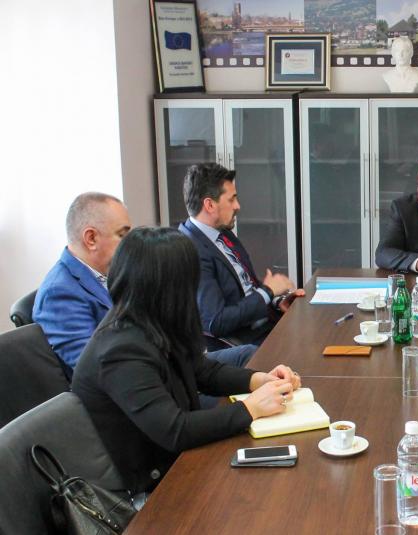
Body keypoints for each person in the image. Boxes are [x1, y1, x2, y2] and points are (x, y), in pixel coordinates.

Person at [72, 227, 302, 495]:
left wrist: (258, 380)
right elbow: (175, 431)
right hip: (149, 486)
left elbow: (202, 371)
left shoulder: (150, 317)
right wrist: (250, 408)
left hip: (176, 460)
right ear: (171, 286)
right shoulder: (119, 351)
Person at [33, 192, 256, 373]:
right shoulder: (59, 293)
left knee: (249, 356)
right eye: (122, 235)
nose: (131, 244)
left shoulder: (112, 272)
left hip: (165, 363)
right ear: (91, 239)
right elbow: (97, 368)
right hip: (138, 388)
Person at [178, 163, 304, 347]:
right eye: (231, 200)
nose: (238, 206)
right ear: (210, 205)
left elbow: (246, 288)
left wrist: (277, 301)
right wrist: (268, 292)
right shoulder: (191, 250)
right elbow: (216, 322)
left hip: (265, 324)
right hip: (245, 343)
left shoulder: (223, 233)